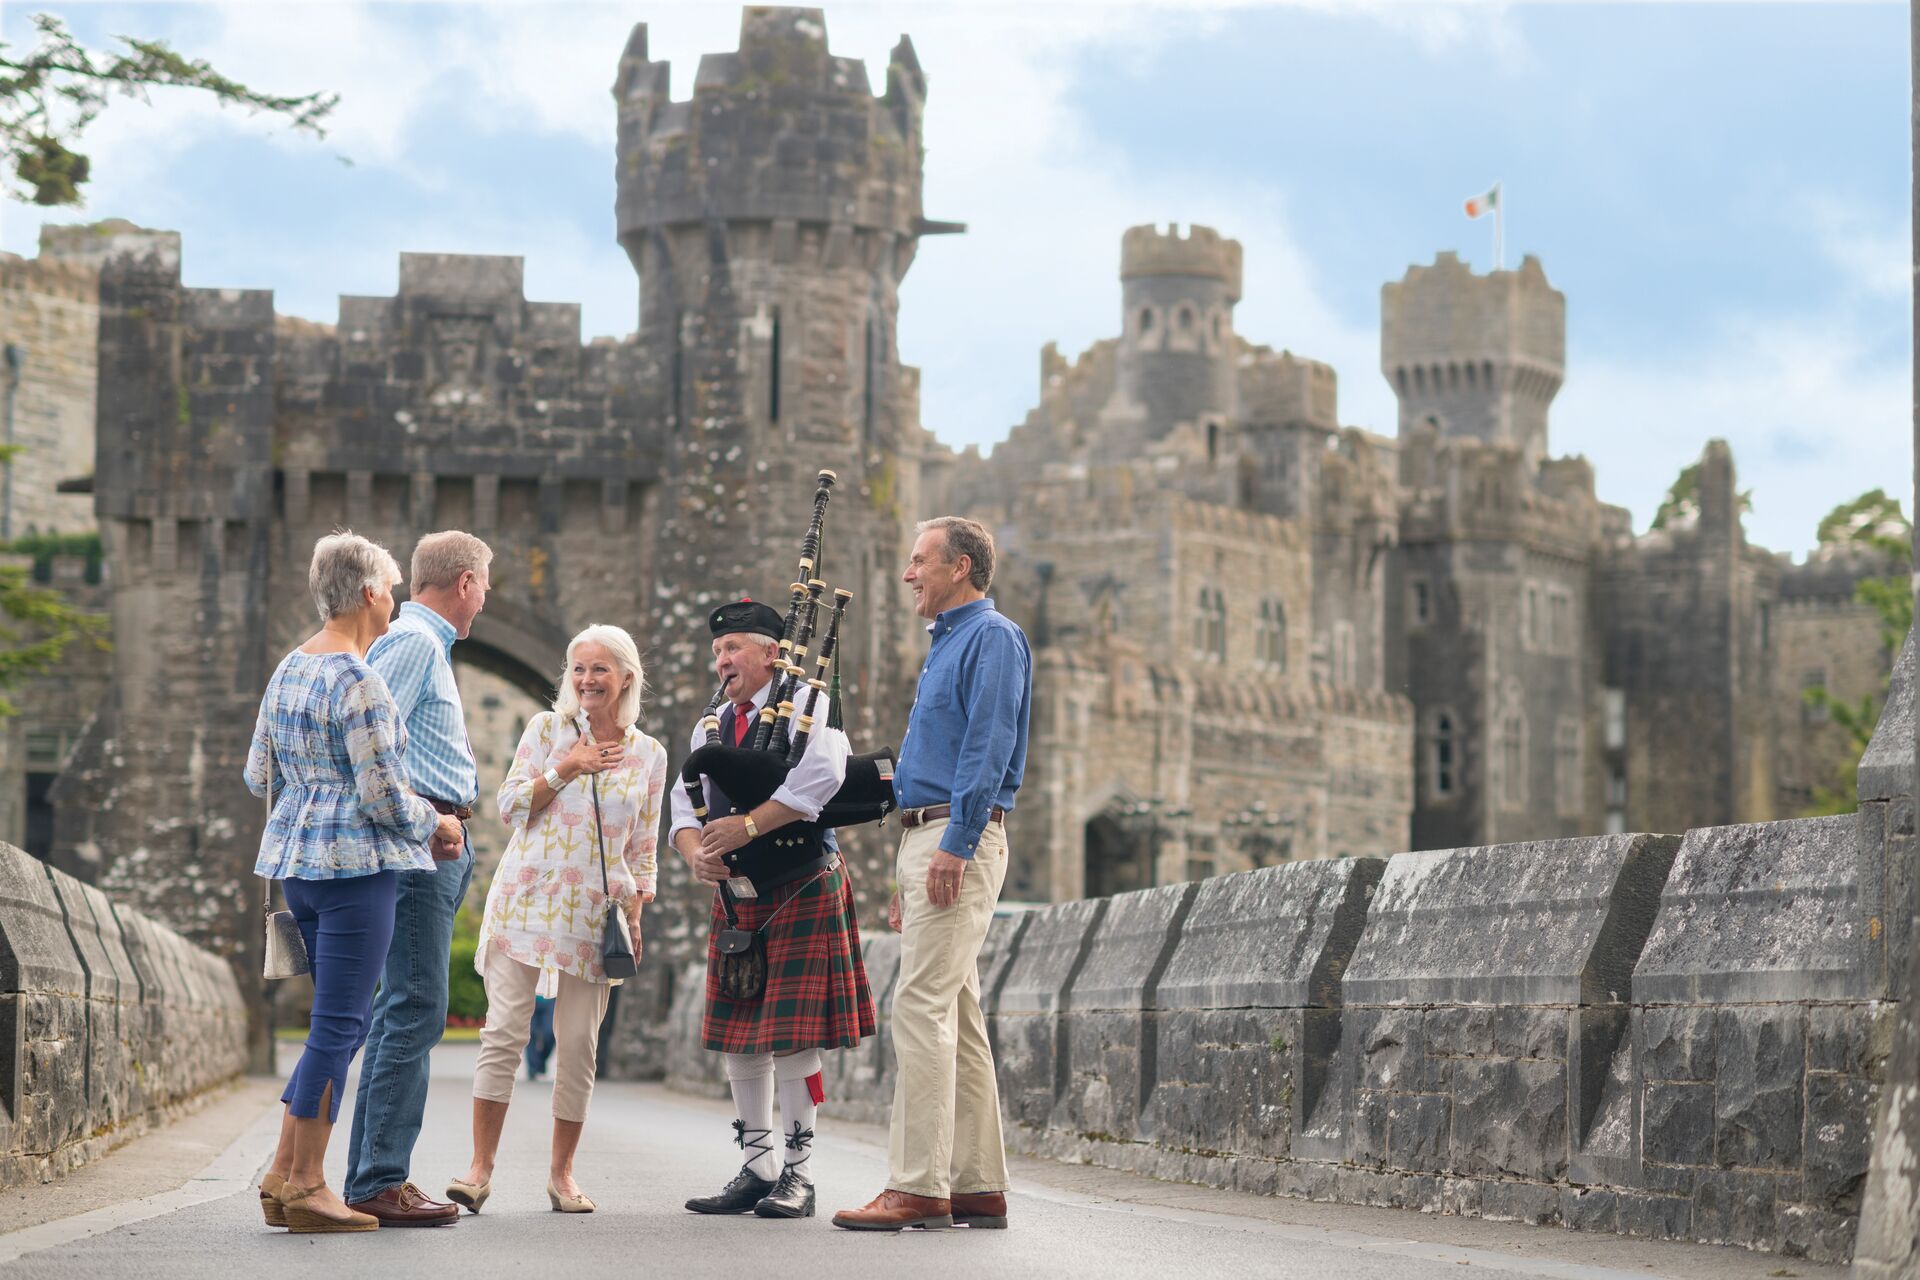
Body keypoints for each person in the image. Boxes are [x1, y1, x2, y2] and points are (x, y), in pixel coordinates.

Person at [247, 531, 465, 1234]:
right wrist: (435, 824)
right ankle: (309, 1184)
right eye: (393, 588)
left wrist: (311, 789)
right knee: (342, 1025)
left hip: (296, 865)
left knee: (331, 1025)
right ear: (369, 593)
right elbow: (381, 796)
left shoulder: (289, 668)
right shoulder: (357, 679)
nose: (397, 599)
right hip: (356, 868)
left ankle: (282, 1174)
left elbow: (259, 774)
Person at [833, 517, 1031, 1233]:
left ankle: (917, 1185)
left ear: (962, 567)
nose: (908, 573)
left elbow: (989, 747)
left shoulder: (992, 637)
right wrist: (908, 866)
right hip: (932, 837)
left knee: (918, 1008)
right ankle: (978, 1185)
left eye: (921, 561)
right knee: (959, 1016)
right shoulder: (947, 643)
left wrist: (955, 843)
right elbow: (930, 766)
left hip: (956, 837)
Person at [450, 624, 668, 1215]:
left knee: (577, 1045)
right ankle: (478, 1169)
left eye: (600, 669)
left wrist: (637, 909)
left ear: (626, 678)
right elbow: (509, 807)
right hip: (526, 899)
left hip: (596, 914)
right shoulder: (545, 731)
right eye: (578, 668)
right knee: (503, 1034)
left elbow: (644, 846)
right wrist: (565, 767)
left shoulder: (650, 753)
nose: (587, 680)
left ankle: (562, 1175)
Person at [671, 599, 874, 1221]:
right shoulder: (713, 722)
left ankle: (800, 1173)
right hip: (737, 895)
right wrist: (694, 856)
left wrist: (749, 826)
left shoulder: (808, 704)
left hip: (801, 882)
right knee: (741, 1037)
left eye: (734, 649)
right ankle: (757, 1166)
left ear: (771, 654)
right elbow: (683, 804)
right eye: (717, 652)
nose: (723, 661)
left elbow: (823, 778)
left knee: (793, 1038)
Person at [342, 530, 493, 1228]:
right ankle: (379, 1179)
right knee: (416, 1008)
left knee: (402, 1008)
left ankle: (373, 1175)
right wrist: (427, 823)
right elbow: (367, 746)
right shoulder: (412, 644)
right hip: (422, 851)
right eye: (484, 585)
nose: (485, 598)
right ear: (464, 582)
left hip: (436, 847)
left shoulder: (424, 645)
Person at [525, 995, 557, 1080]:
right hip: (529, 997)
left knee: (550, 1032)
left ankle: (540, 1062)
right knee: (530, 1033)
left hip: (550, 998)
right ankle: (533, 1068)